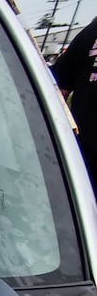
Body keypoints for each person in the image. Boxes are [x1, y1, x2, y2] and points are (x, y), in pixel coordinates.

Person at [52, 16, 97, 189]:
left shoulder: (91, 31)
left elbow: (58, 92)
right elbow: (57, 90)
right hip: (81, 158)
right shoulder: (91, 32)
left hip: (79, 159)